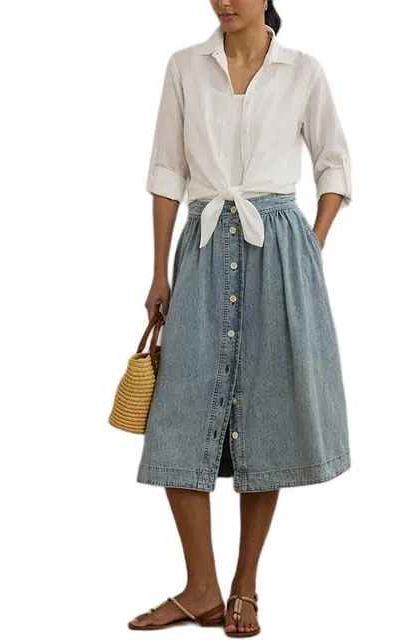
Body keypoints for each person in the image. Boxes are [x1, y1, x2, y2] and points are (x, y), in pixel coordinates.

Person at [128, 1, 352, 636]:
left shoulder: (303, 71)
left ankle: (244, 585)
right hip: (201, 246)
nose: (223, 1)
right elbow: (167, 171)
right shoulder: (184, 67)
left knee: (265, 414)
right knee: (178, 415)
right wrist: (158, 272)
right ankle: (200, 587)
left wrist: (311, 243)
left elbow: (335, 163)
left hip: (277, 251)